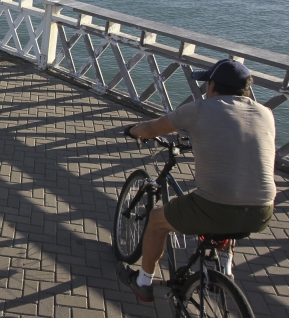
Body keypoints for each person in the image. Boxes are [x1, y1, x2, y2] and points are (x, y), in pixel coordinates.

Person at [116, 59, 276, 302]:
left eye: (207, 84)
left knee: (157, 220)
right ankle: (225, 271)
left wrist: (132, 131)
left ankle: (143, 282)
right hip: (262, 211)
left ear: (212, 85)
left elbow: (151, 129)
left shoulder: (200, 109)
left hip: (215, 207)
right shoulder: (266, 113)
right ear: (246, 89)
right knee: (232, 204)